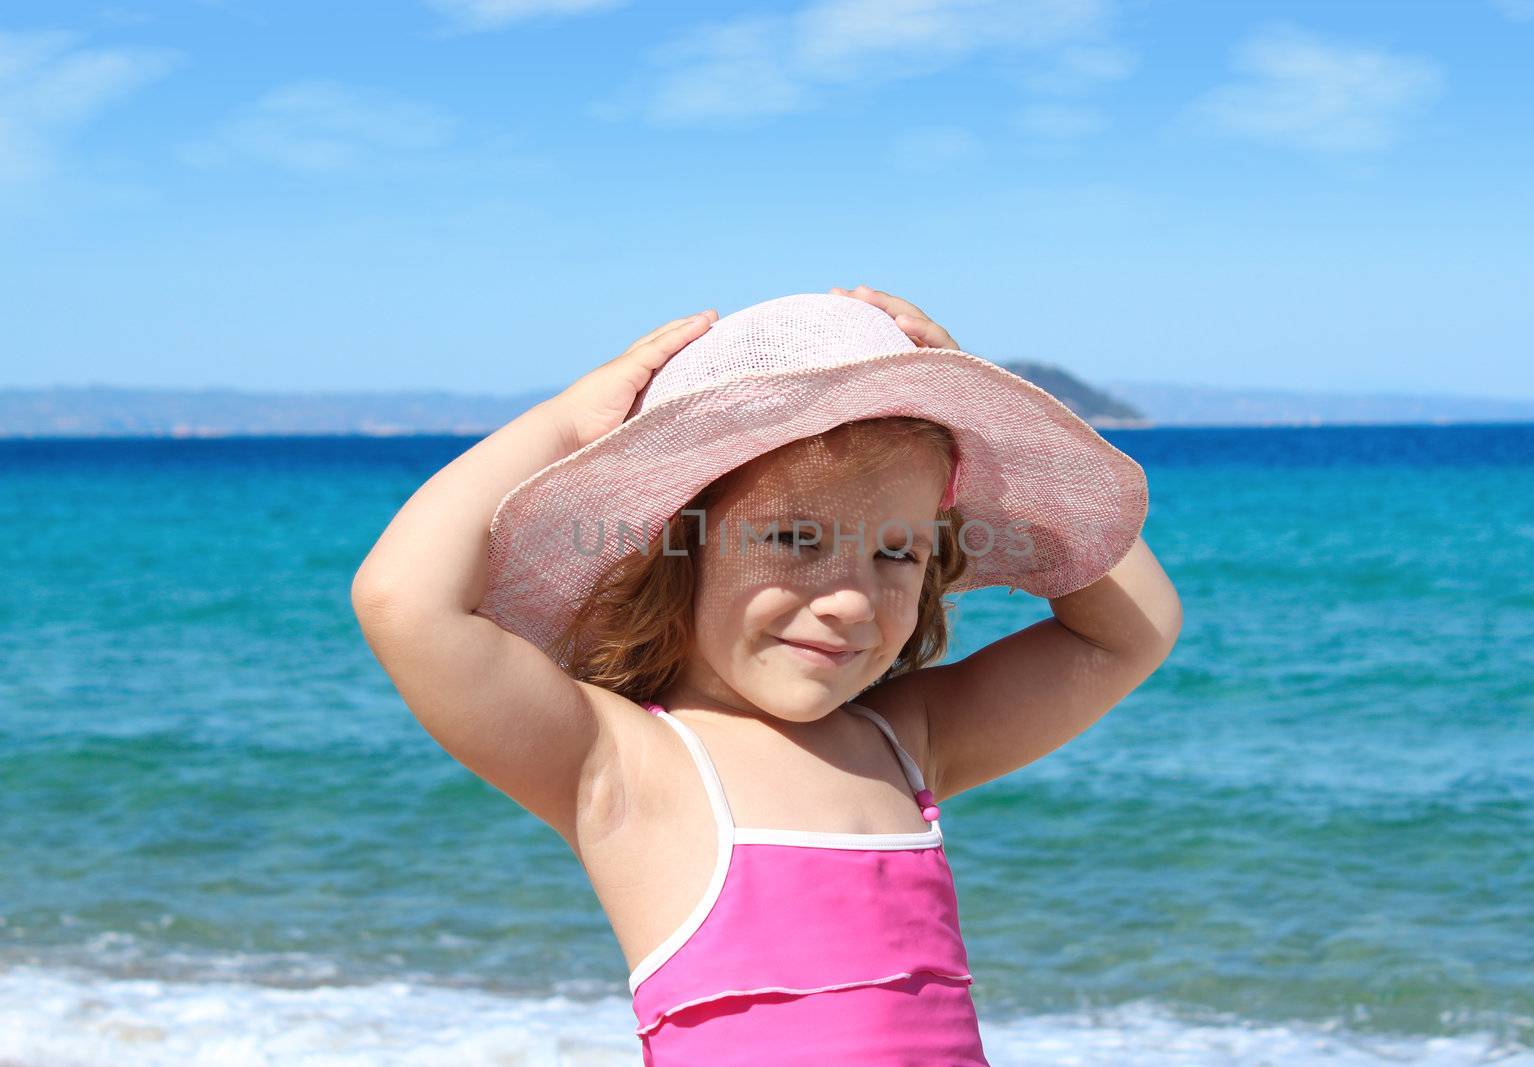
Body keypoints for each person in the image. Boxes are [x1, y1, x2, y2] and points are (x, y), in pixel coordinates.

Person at [351, 286, 1184, 1065]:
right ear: (679, 547)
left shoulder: (908, 742)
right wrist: (568, 426)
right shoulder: (624, 763)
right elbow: (403, 601)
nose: (851, 601)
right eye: (794, 539)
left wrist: (987, 422)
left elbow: (1131, 634)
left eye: (898, 551)